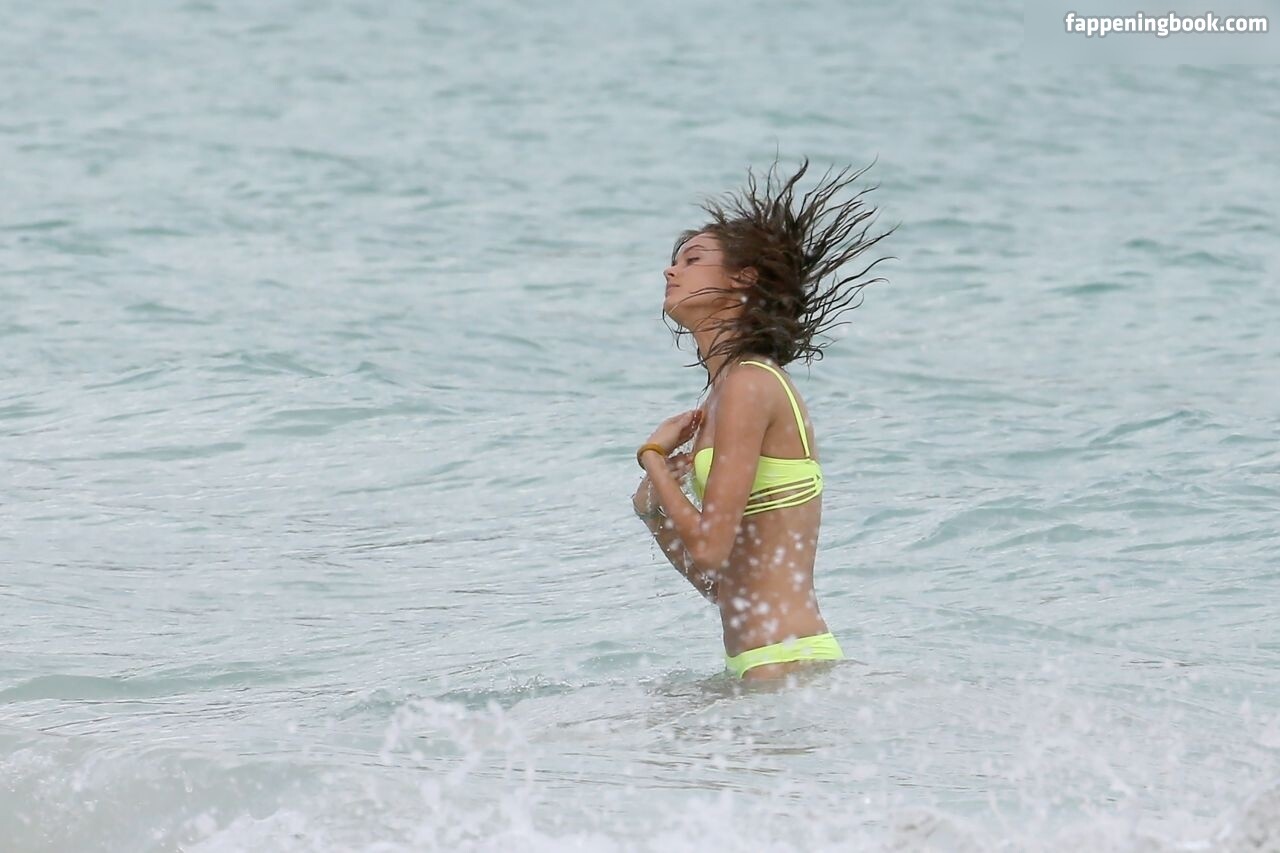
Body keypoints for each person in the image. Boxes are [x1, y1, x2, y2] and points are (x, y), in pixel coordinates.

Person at [632, 156, 896, 681]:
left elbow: (709, 550)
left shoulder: (750, 384)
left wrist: (653, 459)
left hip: (786, 666)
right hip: (759, 667)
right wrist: (652, 508)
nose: (670, 270)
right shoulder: (723, 393)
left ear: (742, 280)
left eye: (692, 260)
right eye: (674, 261)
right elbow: (722, 588)